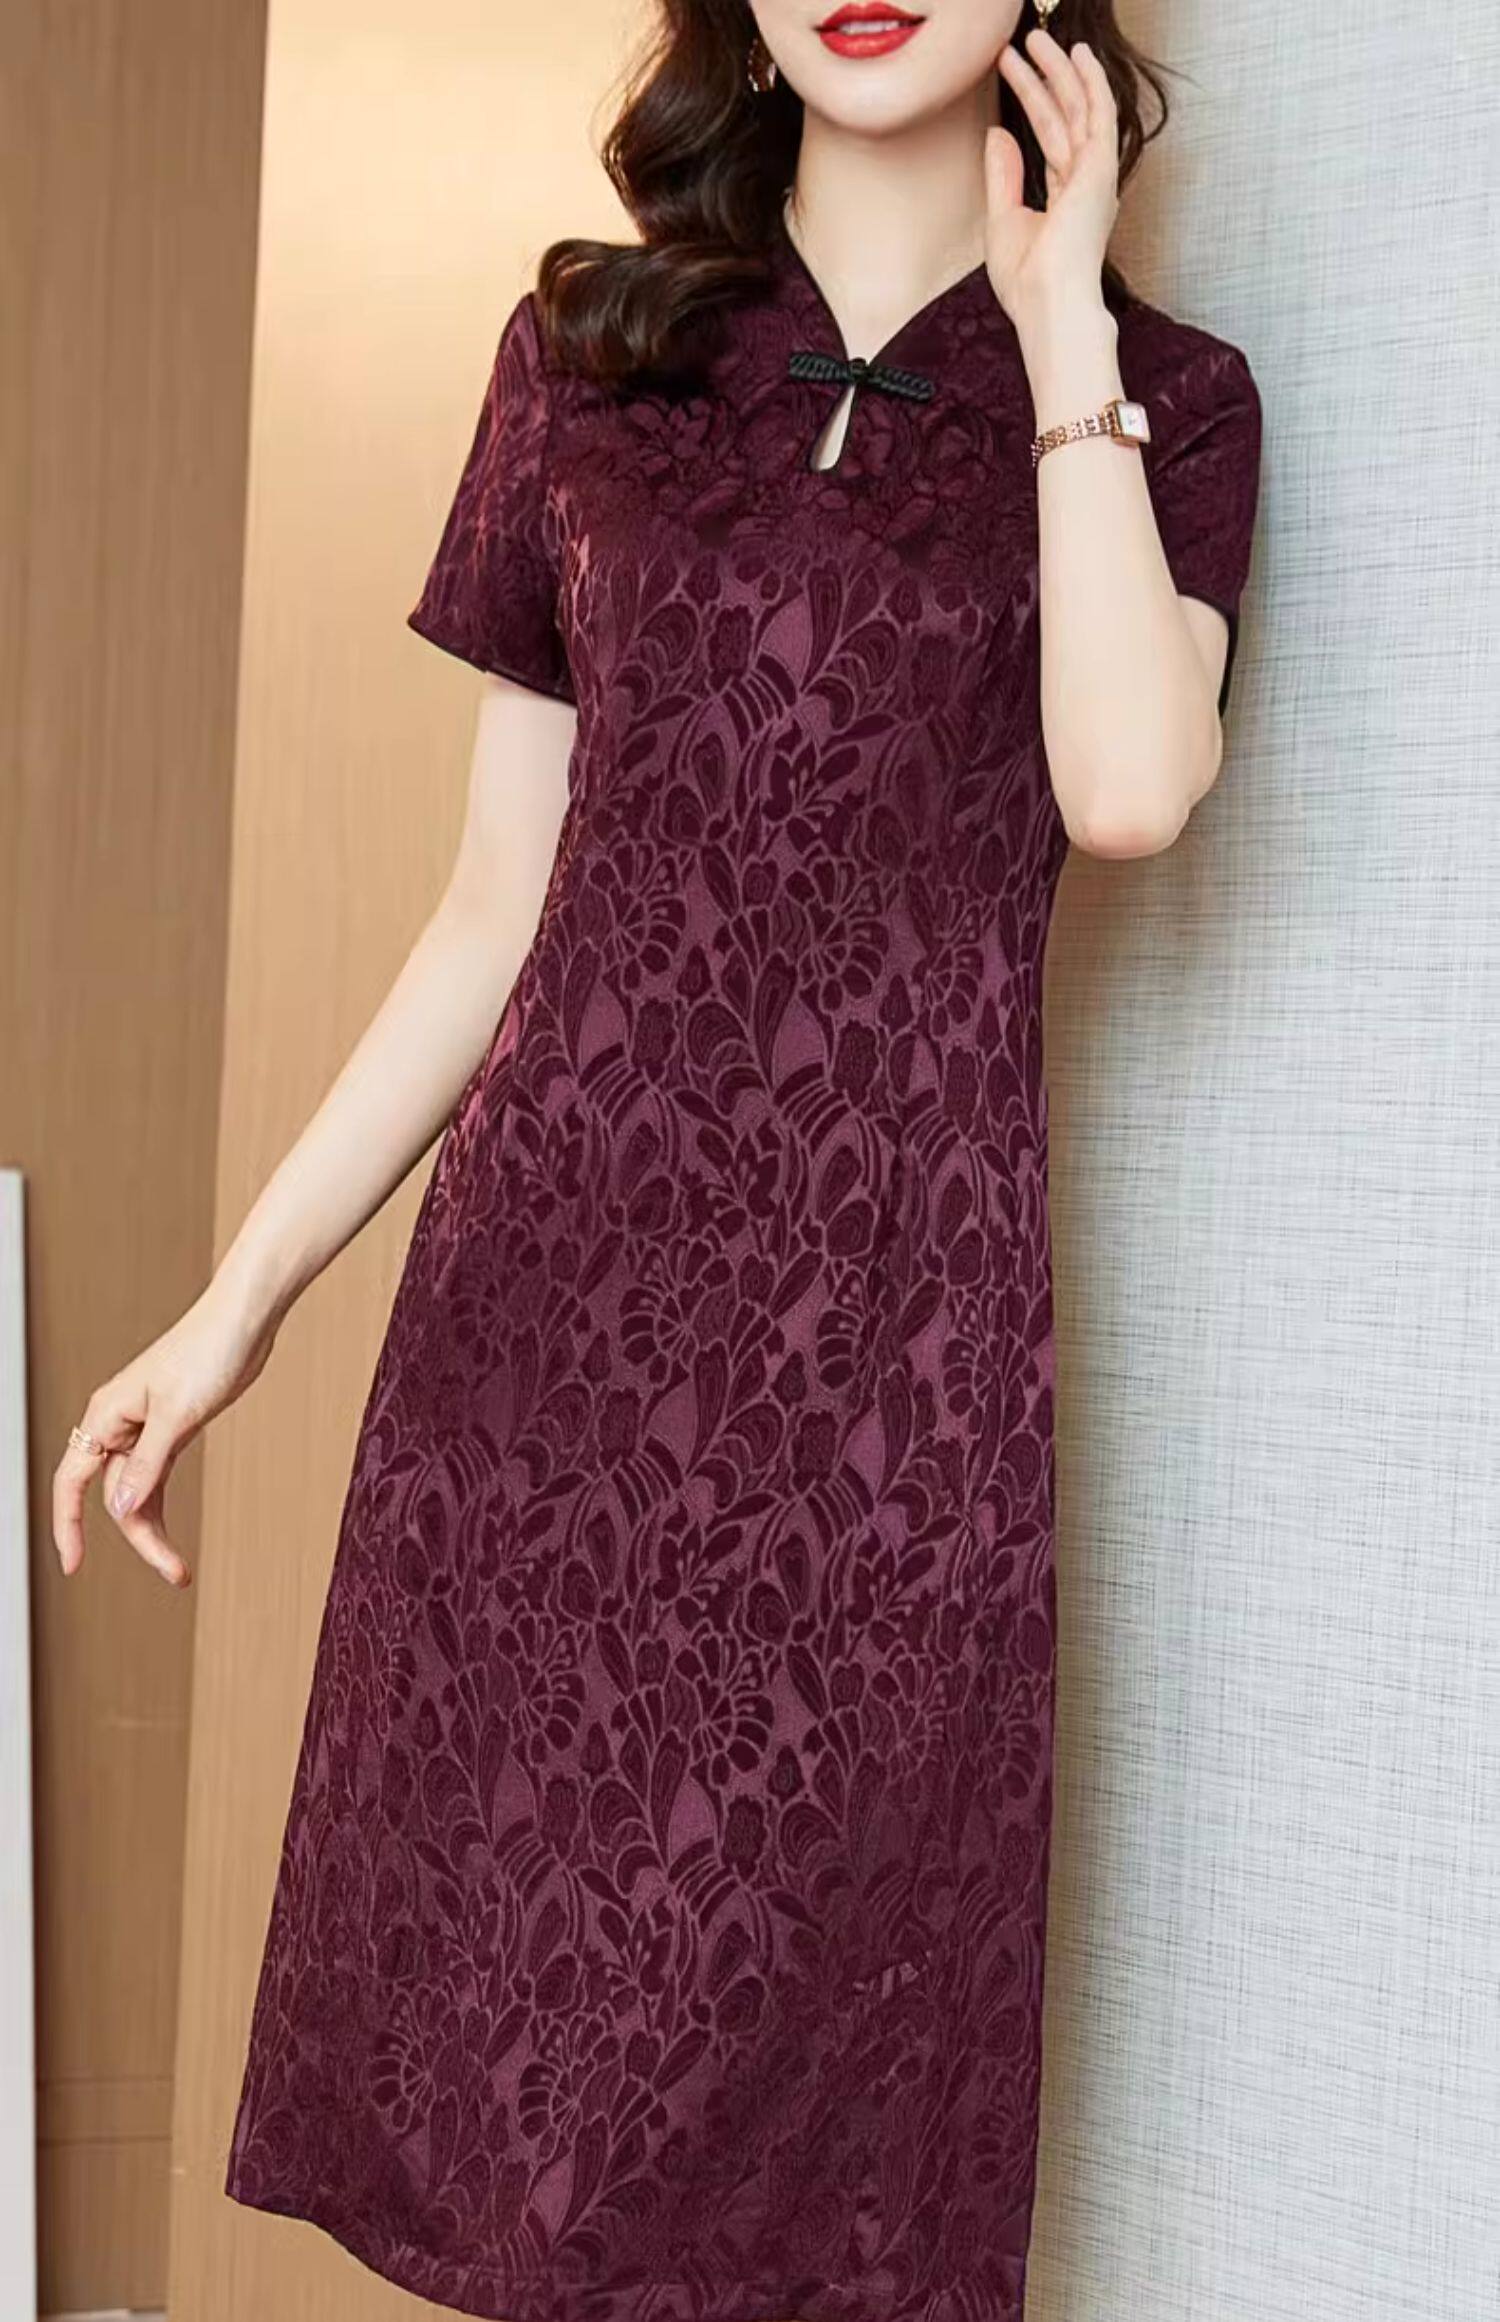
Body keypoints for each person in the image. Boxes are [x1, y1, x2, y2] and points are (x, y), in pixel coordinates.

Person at [54, 3, 1263, 2316]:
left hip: (890, 1392)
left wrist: (1058, 328)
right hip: (546, 1368)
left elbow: (1128, 792)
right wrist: (234, 1310)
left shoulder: (1166, 403)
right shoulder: (586, 358)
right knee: (527, 2149)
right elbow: (493, 913)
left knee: (799, 2166)